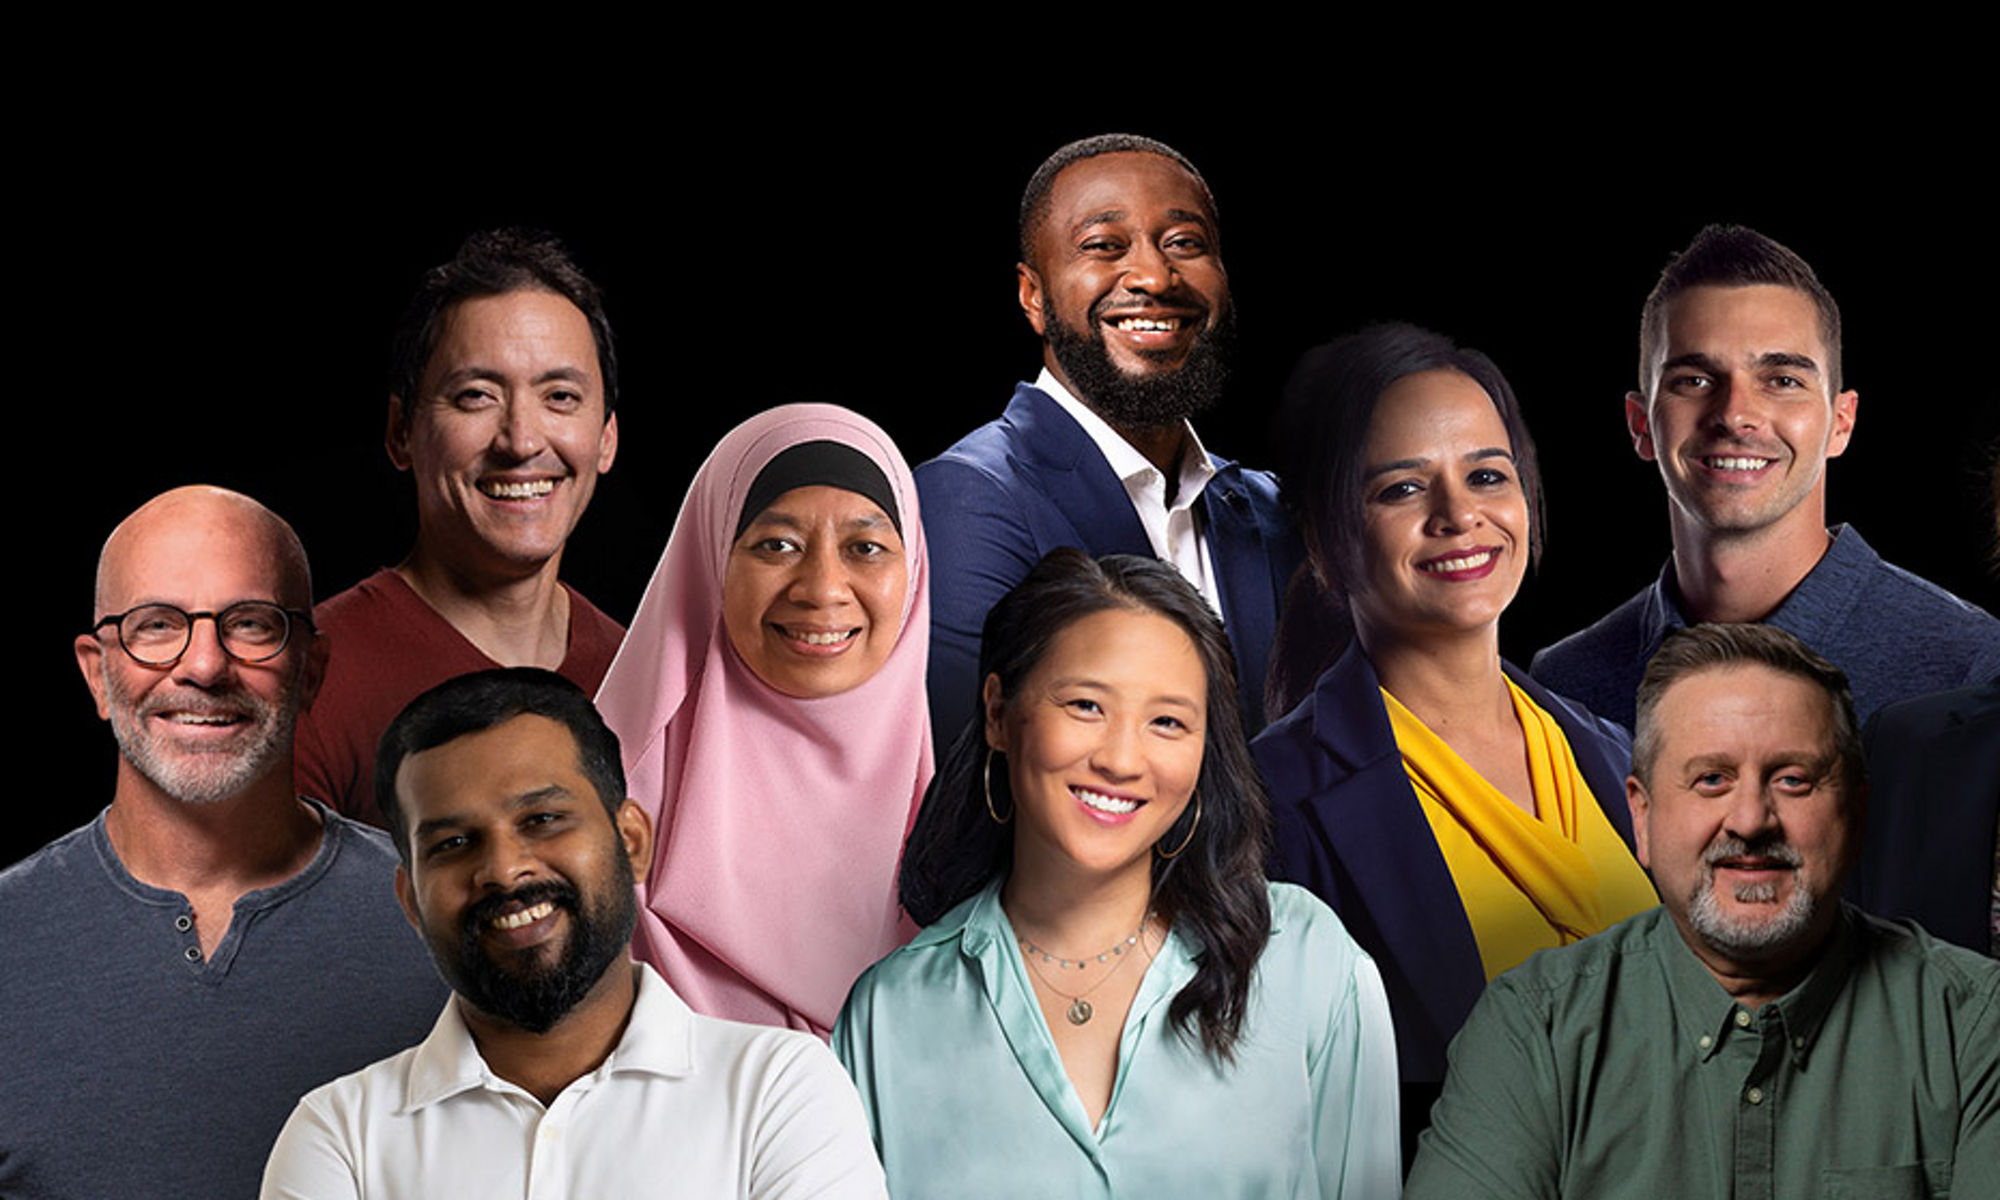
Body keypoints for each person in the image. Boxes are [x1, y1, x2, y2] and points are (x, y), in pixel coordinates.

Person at [837, 549, 1399, 1198]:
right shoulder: (888, 1013)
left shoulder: (1308, 960)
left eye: (1167, 722)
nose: (1123, 760)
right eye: (1085, 705)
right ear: (998, 714)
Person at [1406, 623, 1999, 1199]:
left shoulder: (1974, 1028)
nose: (1750, 821)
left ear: (1857, 812)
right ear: (1641, 816)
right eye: (1711, 779)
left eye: (1792, 780)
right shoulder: (1533, 1029)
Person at [1252, 324, 1657, 1149]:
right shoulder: (1270, 802)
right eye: (1402, 490)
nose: (1459, 515)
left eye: (1485, 475)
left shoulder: (1614, 753)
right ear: (1329, 543)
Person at [261, 668, 886, 1199]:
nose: (504, 870)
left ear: (632, 842)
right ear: (411, 901)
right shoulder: (340, 1137)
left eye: (542, 819)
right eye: (454, 844)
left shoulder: (777, 1090)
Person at [1, 486, 445, 1200]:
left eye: (249, 624)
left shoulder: (442, 925)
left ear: (313, 670)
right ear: (96, 674)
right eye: (154, 626)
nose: (204, 666)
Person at [1532, 223, 2000, 729]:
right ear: (1641, 425)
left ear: (1841, 423)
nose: (1735, 414)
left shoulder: (1973, 666)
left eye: (1782, 380)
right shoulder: (1565, 688)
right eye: (1694, 380)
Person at [917, 133, 1301, 746]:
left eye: (1184, 244)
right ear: (1033, 297)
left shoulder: (1272, 510)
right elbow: (982, 779)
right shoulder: (968, 497)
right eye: (1103, 246)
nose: (1153, 275)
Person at [594, 404, 931, 1037]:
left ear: (912, 572)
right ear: (712, 558)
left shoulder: (985, 829)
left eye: (866, 547)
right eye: (777, 545)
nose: (822, 588)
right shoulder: (597, 817)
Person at [295, 229, 626, 828]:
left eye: (560, 396)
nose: (521, 440)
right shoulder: (310, 679)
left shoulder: (638, 671)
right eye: (476, 396)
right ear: (401, 431)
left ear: (606, 436)